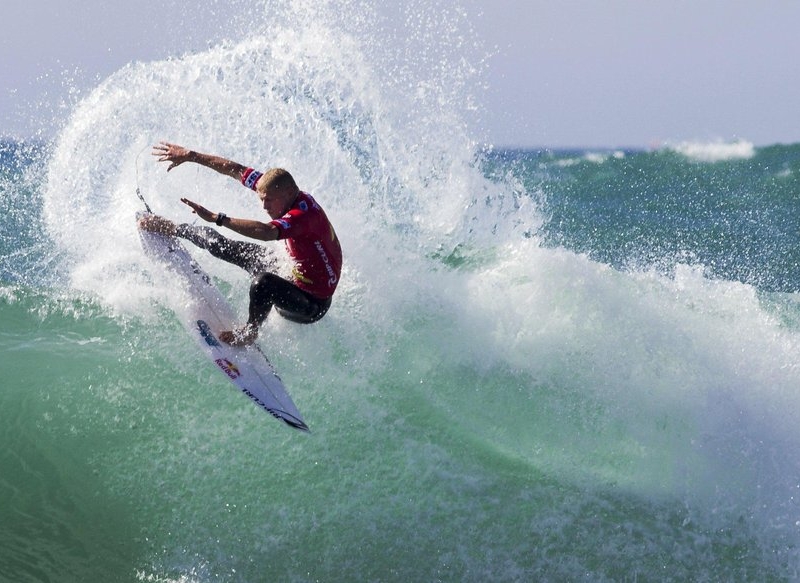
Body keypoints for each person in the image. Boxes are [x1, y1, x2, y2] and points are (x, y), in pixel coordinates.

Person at [139, 141, 342, 346]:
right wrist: (191, 155)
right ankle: (173, 228)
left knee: (263, 284)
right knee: (220, 246)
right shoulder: (276, 188)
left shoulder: (303, 216)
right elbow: (236, 170)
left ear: (289, 193)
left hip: (311, 304)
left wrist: (219, 218)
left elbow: (266, 231)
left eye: (269, 200)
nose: (264, 205)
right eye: (262, 198)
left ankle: (250, 332)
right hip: (290, 271)